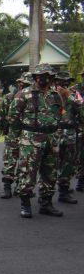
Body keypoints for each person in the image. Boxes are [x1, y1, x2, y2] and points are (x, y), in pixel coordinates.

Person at [8, 64, 63, 218]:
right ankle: (25, 204)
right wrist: (25, 133)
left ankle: (46, 203)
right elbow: (13, 117)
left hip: (51, 139)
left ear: (51, 77)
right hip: (31, 139)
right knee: (28, 172)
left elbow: (58, 114)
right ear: (35, 77)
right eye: (40, 75)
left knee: (50, 172)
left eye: (46, 75)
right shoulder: (24, 94)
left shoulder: (55, 95)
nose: (43, 78)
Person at [0, 73, 32, 199]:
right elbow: (2, 116)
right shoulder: (9, 97)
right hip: (13, 133)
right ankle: (7, 187)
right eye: (23, 84)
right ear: (19, 83)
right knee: (10, 160)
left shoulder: (33, 97)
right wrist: (5, 130)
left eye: (28, 84)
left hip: (28, 134)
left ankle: (19, 186)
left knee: (25, 162)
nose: (24, 86)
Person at [54, 70, 81, 204]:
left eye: (66, 82)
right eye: (60, 81)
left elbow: (81, 110)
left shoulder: (73, 95)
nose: (63, 84)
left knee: (68, 164)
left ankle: (64, 191)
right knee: (51, 163)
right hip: (54, 134)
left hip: (69, 133)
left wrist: (69, 96)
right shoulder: (49, 95)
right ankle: (46, 195)